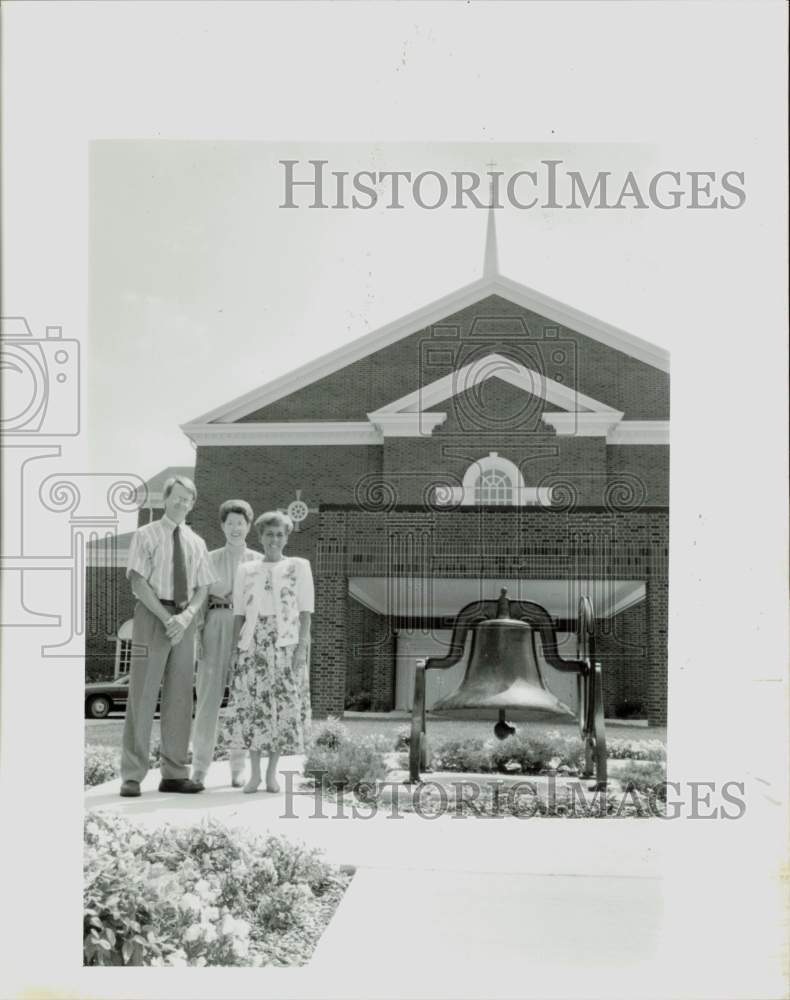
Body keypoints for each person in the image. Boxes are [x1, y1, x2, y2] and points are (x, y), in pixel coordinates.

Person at [120, 475, 216, 797]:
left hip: (184, 620)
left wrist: (186, 616)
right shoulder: (145, 534)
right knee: (142, 694)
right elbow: (137, 582)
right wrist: (166, 618)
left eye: (188, 499)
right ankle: (132, 775)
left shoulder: (197, 542)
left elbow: (203, 587)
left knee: (178, 697)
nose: (182, 503)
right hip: (152, 615)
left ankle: (174, 773)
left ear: (192, 503)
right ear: (166, 498)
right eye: (177, 497)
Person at [222, 511, 314, 793]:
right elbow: (238, 612)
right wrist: (235, 650)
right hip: (253, 642)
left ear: (286, 537)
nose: (274, 539)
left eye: (279, 534)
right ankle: (255, 775)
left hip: (285, 644)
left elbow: (305, 610)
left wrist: (302, 647)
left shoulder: (298, 566)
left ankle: (272, 773)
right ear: (260, 537)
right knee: (253, 709)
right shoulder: (246, 570)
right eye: (269, 534)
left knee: (281, 709)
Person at [190, 499, 260, 790]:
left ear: (248, 526)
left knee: (243, 701)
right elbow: (199, 600)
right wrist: (198, 637)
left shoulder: (258, 561)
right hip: (216, 624)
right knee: (207, 700)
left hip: (246, 629)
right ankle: (200, 769)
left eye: (240, 523)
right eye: (229, 522)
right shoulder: (209, 558)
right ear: (222, 526)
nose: (235, 528)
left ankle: (237, 768)